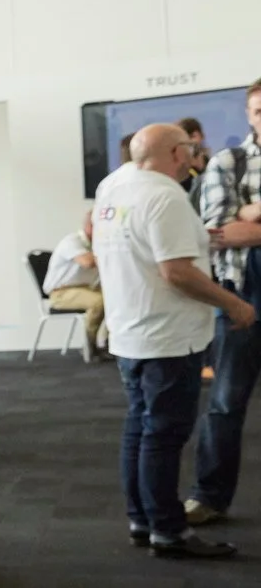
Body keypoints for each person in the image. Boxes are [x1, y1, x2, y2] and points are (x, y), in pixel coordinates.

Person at [93, 124, 255, 559]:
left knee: (140, 429)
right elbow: (177, 273)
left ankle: (142, 519)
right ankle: (168, 530)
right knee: (163, 437)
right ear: (176, 153)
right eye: (189, 148)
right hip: (168, 337)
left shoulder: (113, 186)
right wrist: (234, 304)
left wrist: (199, 238)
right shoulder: (165, 196)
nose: (193, 155)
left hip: (130, 330)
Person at [186, 80, 261, 526]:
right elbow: (218, 234)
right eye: (257, 110)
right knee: (226, 404)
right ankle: (210, 496)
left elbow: (239, 226)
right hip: (240, 296)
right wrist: (239, 221)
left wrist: (251, 213)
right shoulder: (227, 163)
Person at [44, 209, 107, 360]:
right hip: (60, 293)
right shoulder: (72, 242)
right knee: (99, 302)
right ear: (91, 227)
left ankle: (108, 344)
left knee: (118, 297)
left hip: (86, 289)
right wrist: (111, 253)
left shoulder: (98, 246)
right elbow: (88, 262)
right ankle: (90, 347)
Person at [179, 116, 212, 211]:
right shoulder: (181, 172)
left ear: (200, 136)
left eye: (193, 137)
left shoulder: (213, 163)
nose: (192, 143)